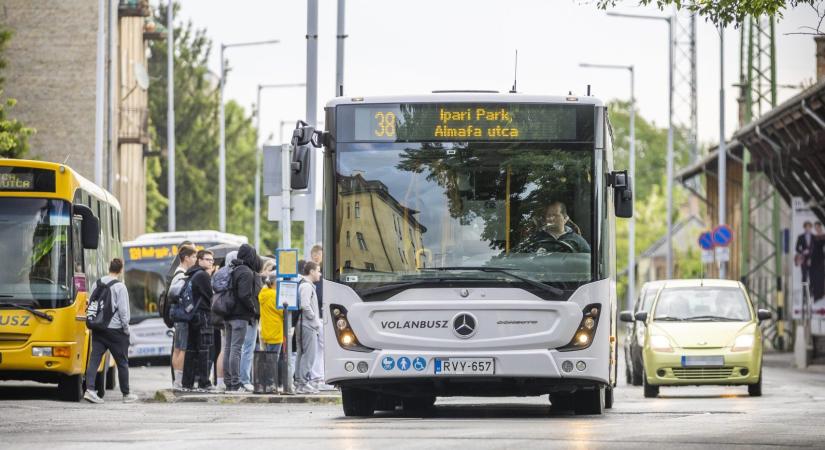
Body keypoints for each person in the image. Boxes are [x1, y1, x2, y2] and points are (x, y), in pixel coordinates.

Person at [83, 258, 138, 404]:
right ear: (121, 270)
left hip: (98, 328)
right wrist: (126, 330)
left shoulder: (97, 283)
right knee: (122, 363)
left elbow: (92, 304)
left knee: (94, 360)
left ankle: (90, 390)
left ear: (109, 268)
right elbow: (124, 312)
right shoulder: (120, 287)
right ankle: (126, 394)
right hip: (116, 331)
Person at [224, 244, 261, 393]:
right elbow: (244, 295)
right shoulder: (246, 272)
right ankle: (236, 383)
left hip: (228, 314)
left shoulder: (233, 269)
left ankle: (229, 382)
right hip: (240, 316)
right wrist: (253, 309)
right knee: (236, 349)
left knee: (229, 348)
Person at [181, 250, 215, 391]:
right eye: (207, 259)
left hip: (192, 316)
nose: (210, 262)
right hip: (203, 316)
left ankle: (187, 383)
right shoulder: (203, 275)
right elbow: (210, 296)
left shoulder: (192, 274)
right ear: (199, 260)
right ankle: (204, 382)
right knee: (204, 350)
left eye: (212, 260)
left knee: (191, 350)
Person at [171, 245, 198, 390]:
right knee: (181, 348)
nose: (195, 259)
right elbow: (177, 294)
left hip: (177, 315)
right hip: (182, 315)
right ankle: (178, 382)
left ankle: (177, 380)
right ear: (186, 258)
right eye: (193, 257)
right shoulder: (182, 274)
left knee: (177, 348)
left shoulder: (178, 272)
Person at [517, 201, 591, 254]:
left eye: (555, 215)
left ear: (565, 218)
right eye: (548, 215)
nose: (550, 218)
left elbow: (588, 262)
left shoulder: (577, 240)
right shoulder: (535, 239)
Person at [295, 261, 322, 394]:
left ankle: (300, 382)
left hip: (303, 324)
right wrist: (314, 320)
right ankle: (303, 383)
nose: (320, 273)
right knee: (309, 355)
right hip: (308, 325)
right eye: (318, 270)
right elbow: (305, 305)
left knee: (302, 354)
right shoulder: (307, 286)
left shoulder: (304, 285)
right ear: (311, 272)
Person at [258, 260, 283, 390]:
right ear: (274, 283)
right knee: (274, 360)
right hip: (276, 331)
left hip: (266, 330)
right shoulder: (275, 295)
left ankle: (266, 383)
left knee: (268, 358)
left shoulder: (263, 294)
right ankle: (270, 383)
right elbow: (283, 312)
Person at [811, 222, 825, 300]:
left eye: (817, 227)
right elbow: (812, 248)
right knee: (815, 276)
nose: (816, 229)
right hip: (814, 258)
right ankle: (816, 294)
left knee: (821, 276)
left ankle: (820, 294)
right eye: (815, 227)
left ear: (820, 227)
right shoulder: (814, 236)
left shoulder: (824, 236)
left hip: (821, 258)